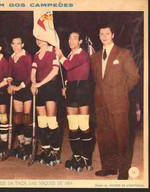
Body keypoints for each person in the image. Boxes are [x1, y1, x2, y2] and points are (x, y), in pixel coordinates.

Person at [91, 24, 140, 180]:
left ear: (112, 35)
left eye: (107, 33)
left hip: (119, 102)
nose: (104, 36)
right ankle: (108, 167)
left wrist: (121, 92)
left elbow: (134, 76)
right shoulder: (95, 57)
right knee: (105, 136)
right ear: (99, 36)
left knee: (121, 136)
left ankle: (123, 169)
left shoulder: (124, 53)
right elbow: (97, 80)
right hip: (101, 103)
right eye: (101, 34)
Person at [56, 31, 94, 172]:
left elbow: (69, 66)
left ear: (80, 41)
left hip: (82, 89)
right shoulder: (71, 55)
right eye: (70, 38)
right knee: (73, 125)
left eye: (75, 38)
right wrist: (66, 85)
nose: (71, 41)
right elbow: (69, 73)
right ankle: (77, 155)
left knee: (84, 125)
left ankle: (86, 157)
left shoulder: (83, 54)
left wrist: (60, 56)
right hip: (72, 89)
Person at [31, 39, 60, 166]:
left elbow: (55, 71)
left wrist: (39, 84)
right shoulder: (37, 54)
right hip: (39, 87)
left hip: (51, 86)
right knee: (41, 121)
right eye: (36, 39)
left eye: (41, 38)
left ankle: (55, 151)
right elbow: (33, 72)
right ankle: (46, 149)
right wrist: (34, 84)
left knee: (51, 120)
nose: (38, 41)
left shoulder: (53, 51)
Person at [7, 35, 33, 160]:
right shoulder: (11, 58)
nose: (16, 46)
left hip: (26, 86)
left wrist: (19, 87)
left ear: (22, 45)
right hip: (16, 86)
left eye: (18, 44)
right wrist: (10, 85)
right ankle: (21, 143)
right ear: (11, 45)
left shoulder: (27, 56)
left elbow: (29, 76)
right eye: (14, 44)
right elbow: (9, 74)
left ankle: (28, 145)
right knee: (18, 117)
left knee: (26, 117)